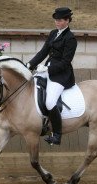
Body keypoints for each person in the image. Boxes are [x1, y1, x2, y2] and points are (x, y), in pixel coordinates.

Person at [27, 7, 77, 145]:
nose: (57, 22)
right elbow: (43, 52)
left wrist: (48, 69)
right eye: (56, 20)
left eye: (60, 20)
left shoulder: (70, 38)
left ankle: (57, 135)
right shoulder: (53, 33)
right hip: (46, 69)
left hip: (61, 74)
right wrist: (29, 65)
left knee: (50, 101)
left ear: (67, 21)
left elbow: (65, 63)